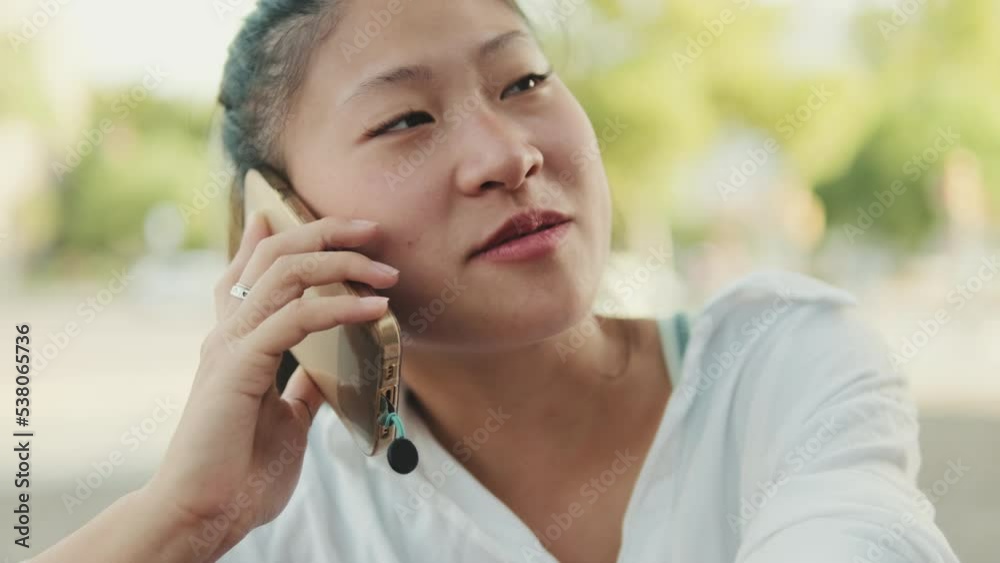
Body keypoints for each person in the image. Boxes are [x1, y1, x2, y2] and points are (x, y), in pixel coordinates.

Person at [33, 0, 960, 561]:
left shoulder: (778, 365)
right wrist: (184, 519)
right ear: (280, 219)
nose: (509, 154)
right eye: (405, 120)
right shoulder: (276, 510)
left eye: (522, 83)